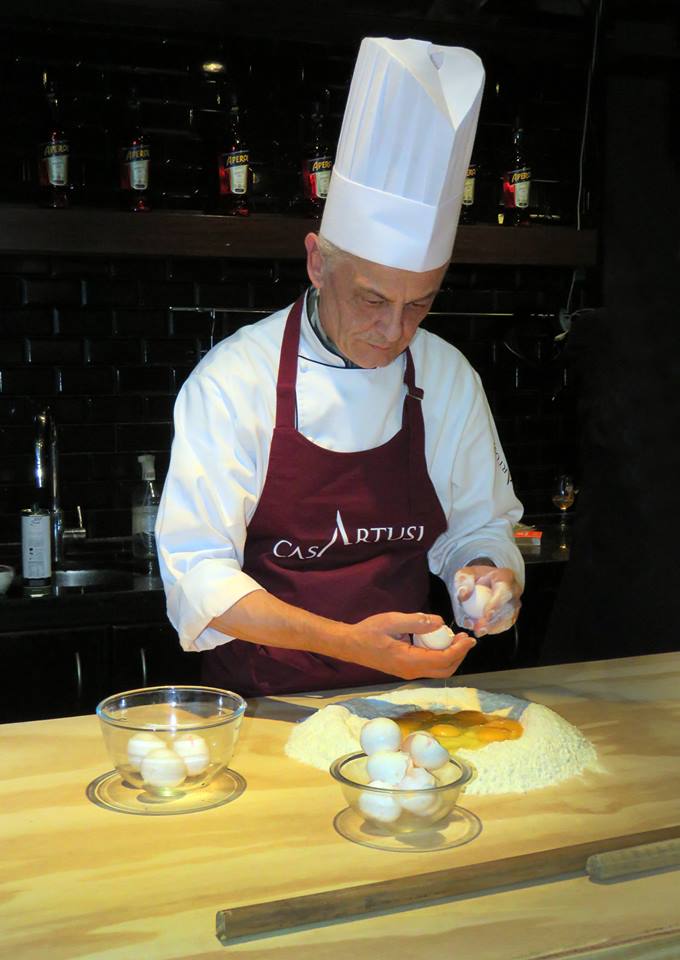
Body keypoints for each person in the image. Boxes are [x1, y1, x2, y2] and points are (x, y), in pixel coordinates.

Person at [156, 38, 525, 698]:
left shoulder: (446, 376)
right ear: (317, 263)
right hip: (266, 707)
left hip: (407, 708)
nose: (395, 331)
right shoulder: (235, 380)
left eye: (420, 304)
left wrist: (487, 578)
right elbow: (198, 572)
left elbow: (479, 526)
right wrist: (344, 641)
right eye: (373, 300)